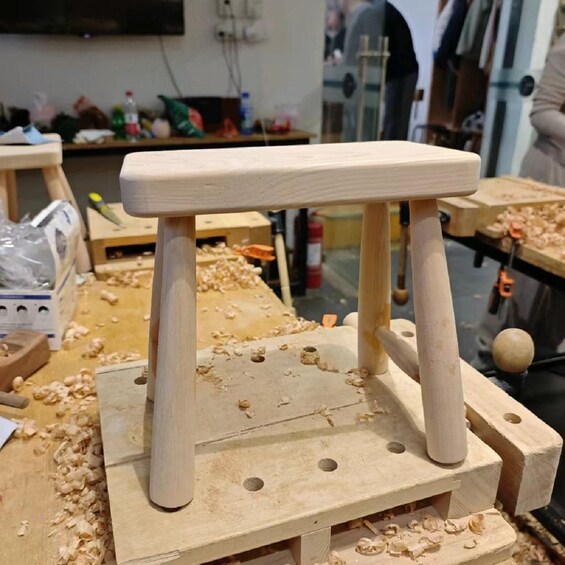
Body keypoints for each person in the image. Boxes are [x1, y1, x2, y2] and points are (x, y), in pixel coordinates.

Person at [476, 34, 565, 365]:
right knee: (525, 280)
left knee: (557, 293)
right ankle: (493, 357)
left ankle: (541, 360)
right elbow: (542, 112)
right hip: (552, 172)